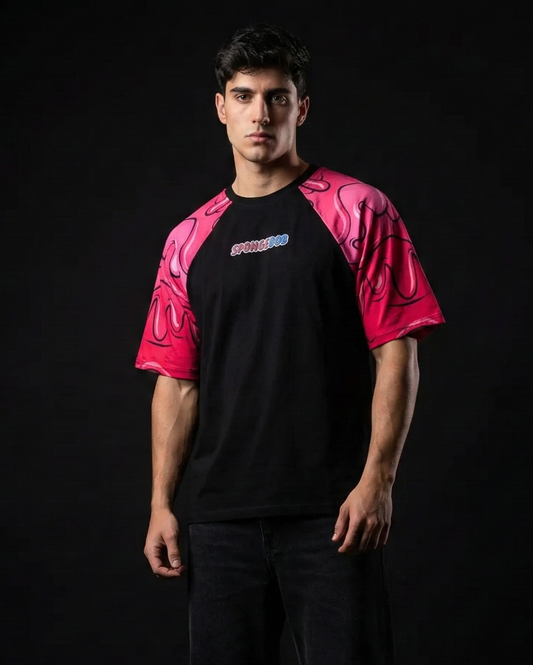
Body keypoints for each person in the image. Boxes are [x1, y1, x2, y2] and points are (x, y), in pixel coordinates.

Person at [135, 22, 445, 665]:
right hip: (220, 520)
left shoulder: (359, 209)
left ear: (301, 108)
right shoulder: (188, 239)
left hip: (333, 514)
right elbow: (177, 380)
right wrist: (162, 504)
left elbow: (397, 351)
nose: (261, 114)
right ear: (220, 108)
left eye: (277, 97)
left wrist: (378, 481)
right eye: (244, 96)